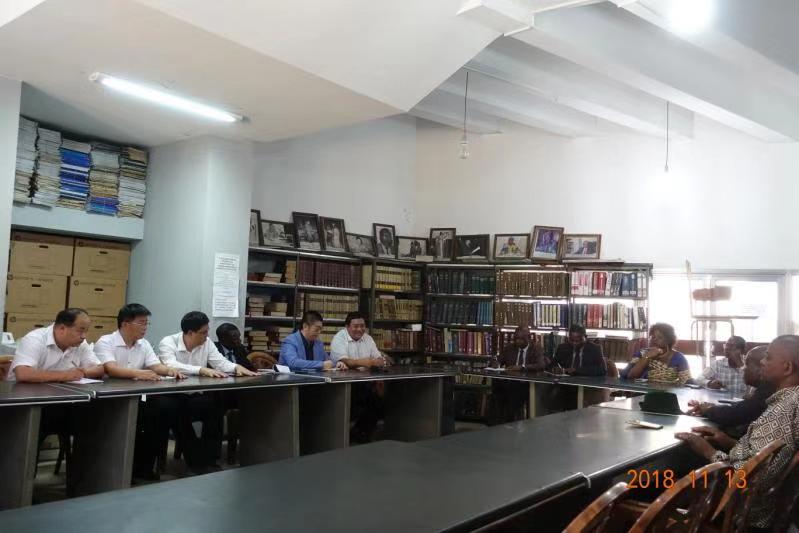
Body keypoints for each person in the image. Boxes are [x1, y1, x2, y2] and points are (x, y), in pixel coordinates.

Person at [676, 335, 799, 531]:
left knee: (661, 480)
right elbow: (764, 454)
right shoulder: (789, 400)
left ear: (787, 368)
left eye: (768, 357)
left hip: (743, 512)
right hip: (759, 505)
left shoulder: (782, 411)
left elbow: (753, 477)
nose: (762, 362)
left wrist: (709, 451)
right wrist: (726, 441)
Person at [158, 311, 257, 473]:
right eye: (203, 332)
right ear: (190, 333)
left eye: (207, 331)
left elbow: (220, 362)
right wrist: (201, 370)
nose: (207, 335)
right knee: (176, 412)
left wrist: (236, 367)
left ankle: (211, 460)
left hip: (194, 394)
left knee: (214, 407)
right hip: (171, 394)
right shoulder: (168, 342)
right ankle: (195, 462)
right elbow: (170, 365)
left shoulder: (207, 342)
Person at [95, 304, 185, 480]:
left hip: (136, 397)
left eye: (146, 323)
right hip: (110, 400)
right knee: (145, 418)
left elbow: (155, 365)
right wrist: (140, 373)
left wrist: (169, 370)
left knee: (165, 409)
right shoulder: (106, 342)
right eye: (141, 323)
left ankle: (144, 467)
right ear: (125, 324)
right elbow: (111, 369)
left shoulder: (143, 344)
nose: (145, 327)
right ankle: (124, 469)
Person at [687, 346, 775, 438]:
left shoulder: (767, 391)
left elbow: (737, 414)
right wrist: (714, 407)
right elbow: (744, 407)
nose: (743, 368)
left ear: (761, 368)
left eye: (747, 364)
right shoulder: (767, 388)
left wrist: (709, 409)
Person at [330, 312, 387, 442]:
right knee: (368, 398)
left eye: (362, 326)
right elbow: (346, 362)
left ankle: (361, 432)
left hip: (366, 380)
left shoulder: (368, 338)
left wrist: (368, 363)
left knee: (382, 398)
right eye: (356, 326)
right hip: (343, 383)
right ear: (347, 327)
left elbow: (379, 360)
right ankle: (356, 432)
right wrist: (367, 362)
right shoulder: (339, 338)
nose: (360, 329)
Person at [8, 308, 104, 382]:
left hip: (61, 393)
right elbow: (23, 374)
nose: (84, 336)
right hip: (23, 395)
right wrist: (66, 375)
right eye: (80, 331)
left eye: (86, 331)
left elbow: (99, 368)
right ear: (62, 328)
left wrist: (83, 372)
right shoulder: (35, 339)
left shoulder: (80, 343)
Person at [490, 326, 548, 424]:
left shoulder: (536, 348)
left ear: (528, 338)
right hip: (509, 382)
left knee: (513, 395)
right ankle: (494, 423)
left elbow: (541, 365)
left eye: (521, 339)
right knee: (495, 393)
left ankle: (509, 422)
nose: (518, 341)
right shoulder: (509, 348)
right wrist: (495, 363)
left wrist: (522, 367)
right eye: (516, 338)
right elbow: (498, 360)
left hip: (526, 384)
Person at [621, 323, 691, 384]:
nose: (654, 340)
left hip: (667, 393)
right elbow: (630, 376)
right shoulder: (641, 353)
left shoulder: (679, 357)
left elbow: (686, 382)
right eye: (653, 337)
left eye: (660, 337)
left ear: (669, 341)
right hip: (642, 392)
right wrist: (647, 357)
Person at [279, 311, 343, 371]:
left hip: (315, 378)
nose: (319, 332)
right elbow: (293, 362)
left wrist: (338, 364)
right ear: (305, 326)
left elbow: (328, 361)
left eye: (320, 329)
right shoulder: (290, 341)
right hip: (291, 378)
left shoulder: (318, 343)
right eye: (317, 329)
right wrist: (321, 365)